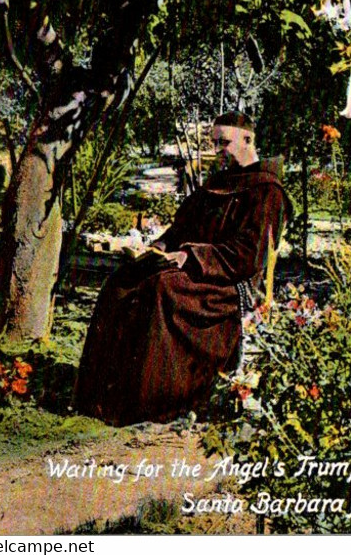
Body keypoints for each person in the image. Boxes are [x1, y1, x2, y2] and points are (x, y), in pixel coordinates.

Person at [75, 112, 290, 426]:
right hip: (194, 271)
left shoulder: (266, 192)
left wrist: (190, 256)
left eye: (224, 143)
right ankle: (100, 399)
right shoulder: (219, 183)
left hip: (228, 285)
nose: (217, 150)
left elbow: (248, 255)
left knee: (162, 289)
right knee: (120, 282)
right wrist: (159, 247)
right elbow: (181, 229)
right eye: (214, 142)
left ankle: (153, 403)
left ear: (248, 140)